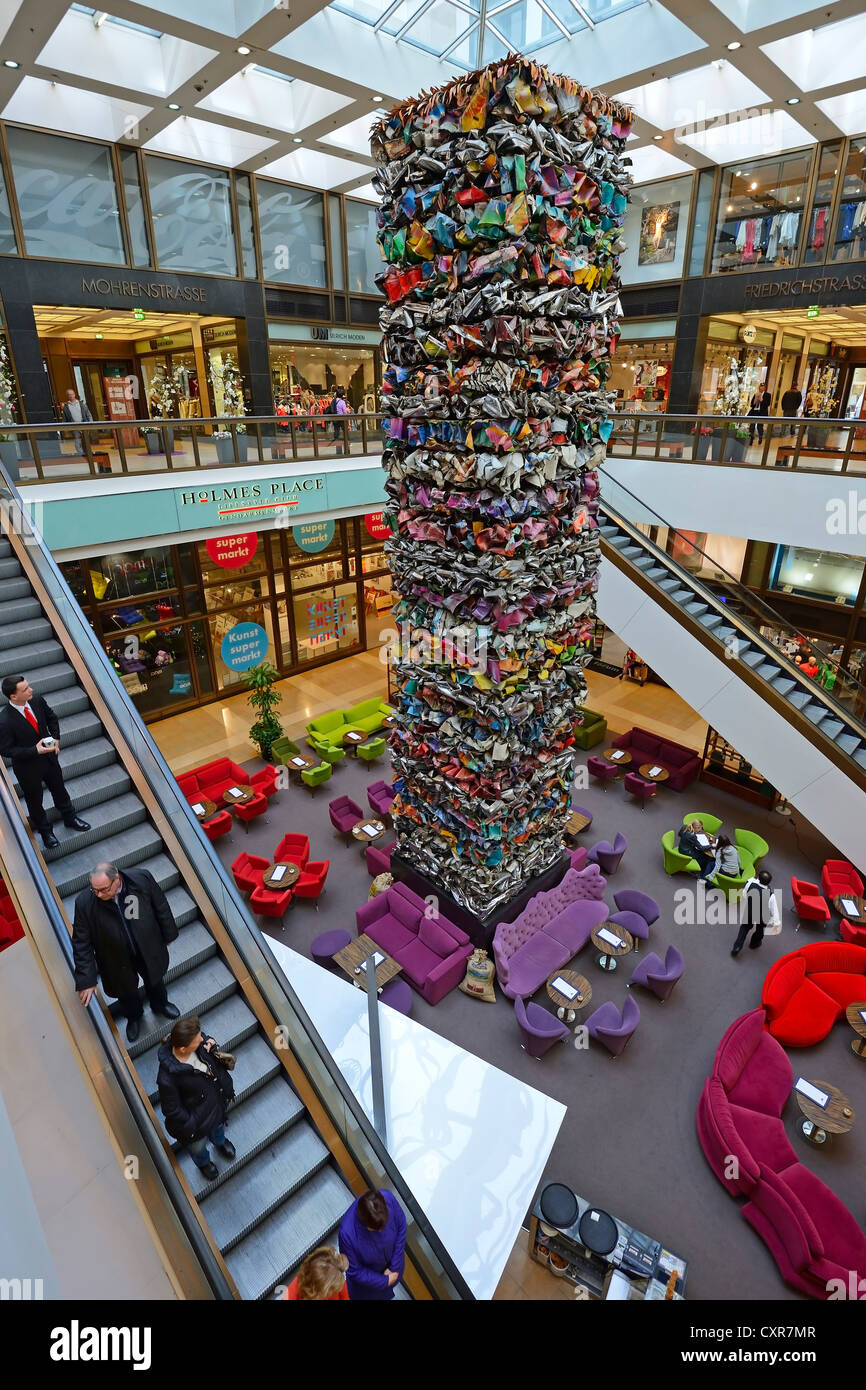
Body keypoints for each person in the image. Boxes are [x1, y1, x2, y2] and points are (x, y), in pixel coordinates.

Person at [72, 861, 180, 1043]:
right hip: (114, 958)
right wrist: (87, 979)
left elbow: (160, 906)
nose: (98, 895)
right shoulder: (85, 903)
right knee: (126, 992)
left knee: (155, 980)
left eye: (104, 889)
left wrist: (168, 933)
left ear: (117, 880)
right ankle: (134, 1017)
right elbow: (81, 942)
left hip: (146, 947)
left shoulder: (140, 880)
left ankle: (160, 1004)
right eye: (94, 890)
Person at [0, 674, 90, 850]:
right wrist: (34, 750)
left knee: (60, 790)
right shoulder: (4, 720)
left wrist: (56, 738)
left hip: (50, 759)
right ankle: (46, 832)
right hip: (28, 768)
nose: (31, 689)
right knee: (35, 801)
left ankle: (70, 818)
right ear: (13, 696)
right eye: (25, 689)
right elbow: (6, 750)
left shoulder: (37, 700)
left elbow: (52, 718)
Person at [157, 1016, 234, 1181]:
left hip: (216, 1107)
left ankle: (220, 1142)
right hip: (197, 1125)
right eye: (197, 1039)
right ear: (184, 1049)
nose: (202, 1038)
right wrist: (192, 1122)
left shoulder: (199, 1045)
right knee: (198, 1148)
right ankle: (204, 1163)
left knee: (218, 1129)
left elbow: (205, 1039)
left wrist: (212, 1046)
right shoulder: (167, 1078)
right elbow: (171, 1109)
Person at [338, 1188, 406, 1300]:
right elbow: (355, 1271)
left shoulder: (388, 1197)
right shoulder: (347, 1234)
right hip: (368, 1290)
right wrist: (385, 1281)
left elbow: (401, 1226)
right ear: (364, 1223)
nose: (381, 1231)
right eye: (375, 1229)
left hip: (395, 1268)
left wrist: (394, 1266)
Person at [731, 869, 780, 956]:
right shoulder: (771, 896)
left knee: (744, 929)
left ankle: (737, 947)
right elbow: (774, 911)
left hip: (750, 912)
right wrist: (776, 924)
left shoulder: (750, 883)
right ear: (769, 883)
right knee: (760, 930)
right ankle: (754, 943)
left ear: (758, 878)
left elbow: (744, 894)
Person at [281, 1247, 350, 1301]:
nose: (334, 1292)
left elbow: (344, 1296)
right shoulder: (291, 1296)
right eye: (330, 1291)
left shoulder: (334, 1277)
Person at [60, 387, 93, 453]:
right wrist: (65, 429)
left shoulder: (82, 404)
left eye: (72, 394)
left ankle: (88, 454)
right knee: (77, 442)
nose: (71, 396)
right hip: (74, 427)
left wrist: (90, 423)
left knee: (86, 441)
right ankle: (81, 454)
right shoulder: (66, 407)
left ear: (74, 394)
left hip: (84, 425)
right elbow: (64, 418)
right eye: (69, 394)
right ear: (67, 396)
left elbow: (88, 414)